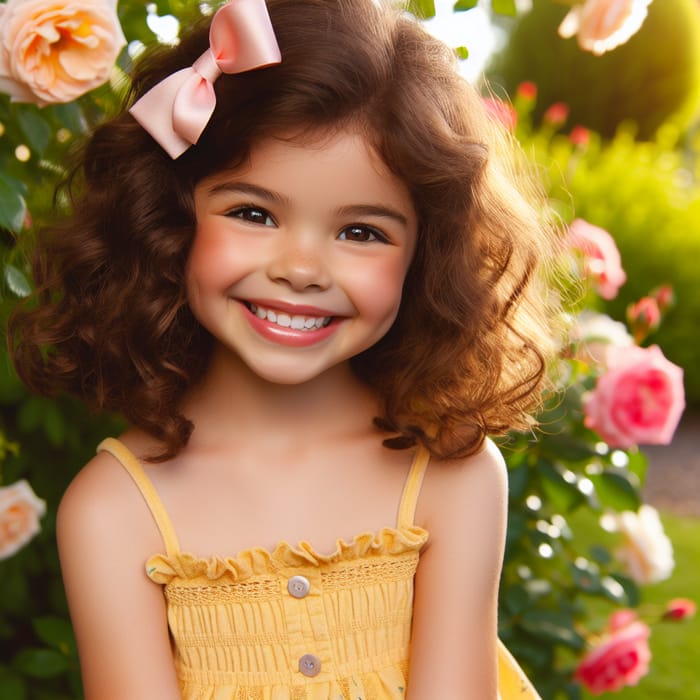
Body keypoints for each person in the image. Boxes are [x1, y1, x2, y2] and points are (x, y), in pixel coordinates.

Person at [9, 0, 562, 697]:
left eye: (361, 231)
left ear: (428, 256)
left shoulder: (453, 473)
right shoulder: (113, 513)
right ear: (169, 220)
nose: (302, 268)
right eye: (253, 213)